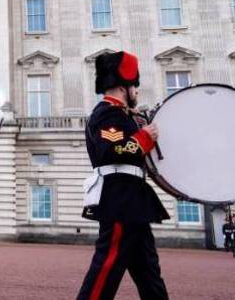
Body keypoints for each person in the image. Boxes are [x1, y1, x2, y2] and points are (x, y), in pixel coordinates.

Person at [76, 51, 170, 300]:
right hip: (119, 198)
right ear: (122, 86)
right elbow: (112, 150)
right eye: (134, 85)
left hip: (133, 199)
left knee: (150, 274)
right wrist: (144, 137)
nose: (137, 91)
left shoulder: (125, 116)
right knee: (106, 268)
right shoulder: (108, 113)